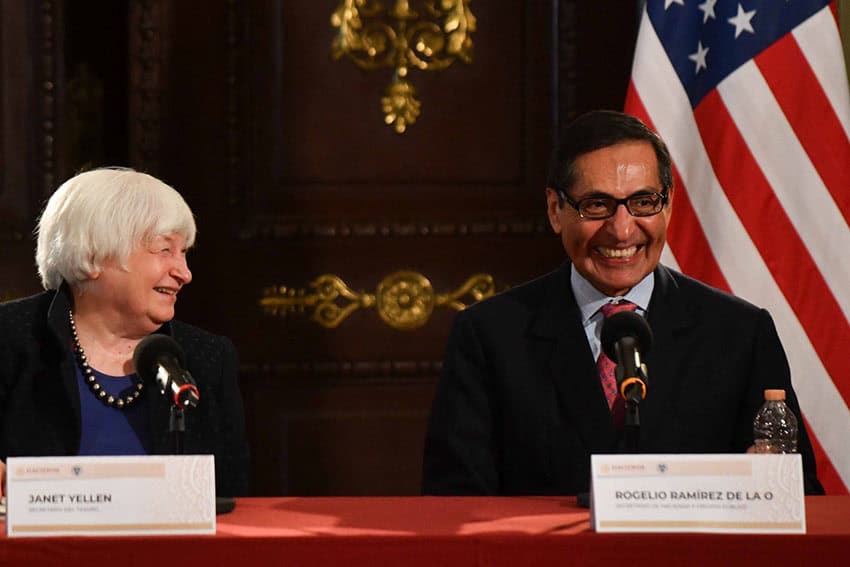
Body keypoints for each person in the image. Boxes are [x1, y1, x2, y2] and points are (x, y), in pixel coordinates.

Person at [422, 110, 824, 496]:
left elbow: (799, 495)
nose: (622, 230)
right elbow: (455, 502)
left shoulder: (740, 333)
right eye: (596, 205)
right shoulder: (489, 335)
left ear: (666, 205)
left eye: (643, 202)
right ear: (555, 210)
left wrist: (765, 487)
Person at [0, 167, 249, 497]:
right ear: (95, 254)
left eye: (184, 253)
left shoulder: (207, 357)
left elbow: (232, 498)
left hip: (168, 550)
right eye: (164, 250)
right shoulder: (10, 338)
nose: (184, 273)